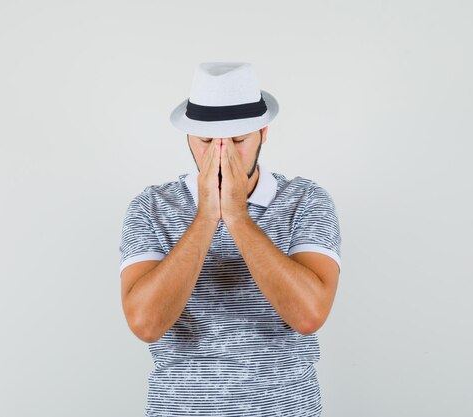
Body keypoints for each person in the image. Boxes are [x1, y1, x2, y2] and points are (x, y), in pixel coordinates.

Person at [119, 62, 342, 417]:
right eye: (206, 141)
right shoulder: (151, 207)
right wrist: (207, 216)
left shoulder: (305, 199)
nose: (220, 155)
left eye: (238, 140)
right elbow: (146, 324)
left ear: (263, 134)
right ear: (188, 138)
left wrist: (237, 215)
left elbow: (308, 316)